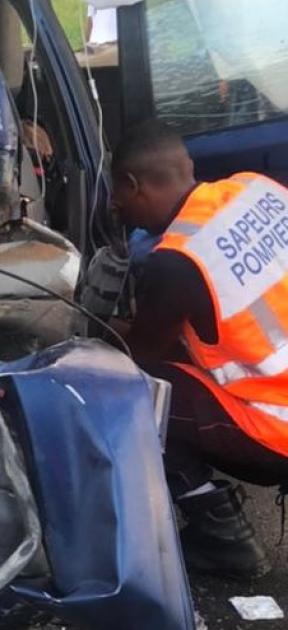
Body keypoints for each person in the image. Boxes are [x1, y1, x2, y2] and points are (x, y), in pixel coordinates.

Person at [112, 120, 288, 579]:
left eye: (118, 195)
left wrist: (91, 331)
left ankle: (225, 535)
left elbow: (139, 353)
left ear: (133, 185)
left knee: (128, 388)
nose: (115, 206)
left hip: (278, 428)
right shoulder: (257, 187)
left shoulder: (180, 259)